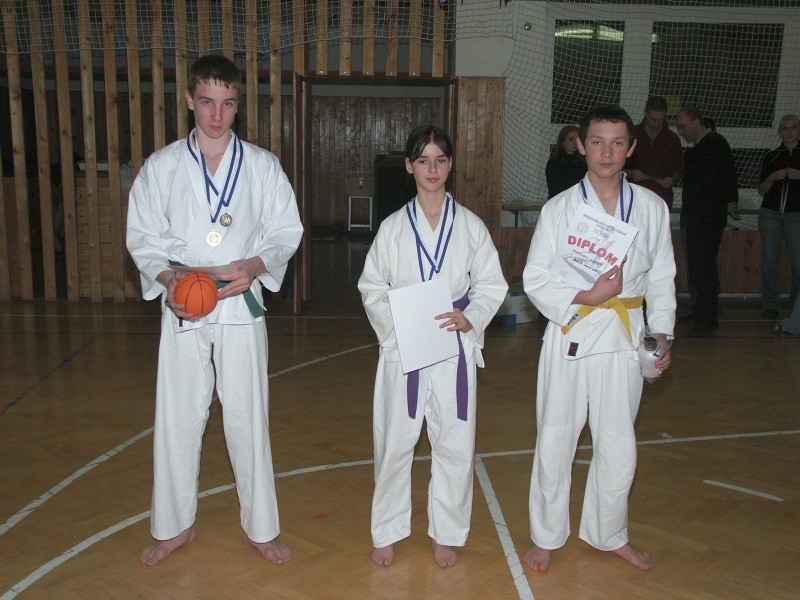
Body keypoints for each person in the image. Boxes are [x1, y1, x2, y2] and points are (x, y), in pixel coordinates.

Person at [126, 55, 303, 566]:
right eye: (207, 102)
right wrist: (169, 280)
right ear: (189, 100)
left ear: (238, 105)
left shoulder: (262, 166)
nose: (217, 115)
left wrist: (255, 265)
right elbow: (142, 238)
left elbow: (286, 231)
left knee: (248, 417)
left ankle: (261, 527)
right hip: (185, 301)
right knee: (178, 416)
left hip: (240, 302)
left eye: (227, 104)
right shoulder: (162, 167)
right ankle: (174, 526)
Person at [522, 105, 675, 572]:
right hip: (571, 329)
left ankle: (609, 534)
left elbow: (662, 277)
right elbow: (535, 279)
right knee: (555, 437)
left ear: (631, 148)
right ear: (581, 145)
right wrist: (589, 295)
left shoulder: (651, 208)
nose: (606, 153)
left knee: (618, 444)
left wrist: (661, 333)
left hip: (625, 337)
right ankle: (547, 534)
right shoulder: (559, 209)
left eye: (616, 143)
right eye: (597, 142)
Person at [358, 125, 508, 568]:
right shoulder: (392, 228)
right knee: (395, 441)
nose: (432, 169)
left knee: (454, 442)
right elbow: (371, 286)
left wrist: (472, 316)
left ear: (451, 165)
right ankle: (388, 529)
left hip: (453, 341)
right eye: (423, 160)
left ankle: (446, 532)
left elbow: (492, 284)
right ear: (409, 166)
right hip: (404, 346)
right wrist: (398, 325)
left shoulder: (471, 226)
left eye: (440, 159)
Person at [676, 106, 738, 337]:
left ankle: (707, 319)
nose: (681, 131)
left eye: (683, 126)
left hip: (707, 217)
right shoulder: (701, 147)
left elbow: (728, 174)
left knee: (704, 267)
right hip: (698, 215)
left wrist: (731, 200)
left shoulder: (715, 143)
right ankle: (702, 312)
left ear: (696, 122)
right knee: (698, 266)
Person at [757, 113, 800, 319]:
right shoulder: (772, 156)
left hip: (796, 215)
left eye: (793, 127)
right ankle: (771, 304)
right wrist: (773, 177)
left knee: (798, 263)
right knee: (770, 261)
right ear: (780, 131)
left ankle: (796, 303)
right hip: (770, 214)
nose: (789, 132)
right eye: (785, 128)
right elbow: (761, 190)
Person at [625, 96, 683, 210]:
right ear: (645, 113)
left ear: (665, 116)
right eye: (652, 119)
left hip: (662, 198)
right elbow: (617, 167)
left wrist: (672, 179)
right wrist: (631, 173)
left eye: (660, 120)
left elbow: (678, 170)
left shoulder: (673, 139)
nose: (656, 124)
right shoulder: (631, 134)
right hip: (634, 196)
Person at [546, 125, 587, 198]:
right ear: (563, 142)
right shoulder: (554, 162)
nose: (575, 142)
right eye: (571, 139)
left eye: (577, 140)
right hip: (560, 200)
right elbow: (554, 189)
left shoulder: (583, 162)